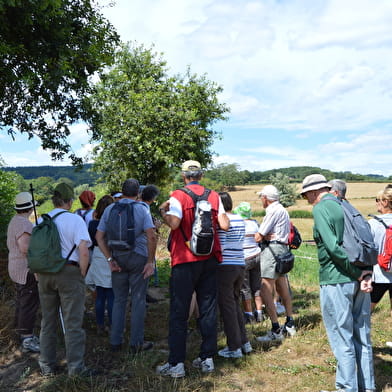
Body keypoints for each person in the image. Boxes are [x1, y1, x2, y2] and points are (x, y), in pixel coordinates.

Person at [301, 174, 375, 392]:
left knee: (342, 337)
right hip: (359, 278)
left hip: (336, 280)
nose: (306, 199)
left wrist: (355, 273)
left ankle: (346, 388)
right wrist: (364, 274)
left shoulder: (321, 208)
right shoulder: (345, 205)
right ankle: (367, 387)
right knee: (362, 336)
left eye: (306, 195)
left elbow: (333, 248)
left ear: (314, 191)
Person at [156, 160, 229, 378]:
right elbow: (225, 225)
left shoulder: (178, 196)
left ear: (184, 175)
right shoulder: (214, 195)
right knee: (207, 308)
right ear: (201, 175)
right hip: (210, 257)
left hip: (185, 258)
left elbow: (175, 224)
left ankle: (176, 363)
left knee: (179, 310)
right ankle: (206, 358)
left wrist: (162, 211)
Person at [96, 179, 157, 354]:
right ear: (138, 193)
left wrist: (109, 259)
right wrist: (150, 262)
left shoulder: (109, 209)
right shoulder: (141, 209)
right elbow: (151, 237)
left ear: (122, 192)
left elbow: (99, 236)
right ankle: (136, 343)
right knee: (138, 300)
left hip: (117, 259)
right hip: (138, 258)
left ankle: (115, 341)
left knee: (119, 300)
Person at [37, 183, 92, 376]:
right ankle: (76, 369)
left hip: (44, 274)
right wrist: (82, 274)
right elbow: (83, 251)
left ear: (53, 200)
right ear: (70, 201)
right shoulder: (75, 220)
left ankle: (46, 365)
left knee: (48, 321)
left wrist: (39, 275)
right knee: (73, 323)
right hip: (69, 272)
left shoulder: (41, 220)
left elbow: (34, 251)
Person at [254, 185, 296, 342]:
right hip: (282, 249)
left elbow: (259, 236)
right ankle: (290, 322)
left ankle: (275, 328)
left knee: (265, 288)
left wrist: (261, 236)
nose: (261, 200)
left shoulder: (271, 210)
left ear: (266, 198)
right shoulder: (282, 209)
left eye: (261, 197)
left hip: (272, 251)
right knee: (282, 286)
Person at [217, 192, 252, 358]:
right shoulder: (239, 218)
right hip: (240, 263)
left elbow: (222, 246)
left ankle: (234, 347)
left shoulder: (223, 220)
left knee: (227, 308)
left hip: (226, 266)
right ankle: (245, 342)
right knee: (235, 304)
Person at [6, 192, 40, 353]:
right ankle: (27, 338)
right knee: (29, 303)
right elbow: (25, 248)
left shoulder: (15, 220)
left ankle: (21, 333)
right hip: (24, 269)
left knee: (22, 300)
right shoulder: (24, 224)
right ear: (30, 207)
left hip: (15, 267)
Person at [85, 195, 115, 335]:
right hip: (111, 256)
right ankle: (113, 324)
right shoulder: (113, 224)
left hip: (97, 256)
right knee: (111, 294)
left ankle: (100, 325)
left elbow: (90, 242)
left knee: (100, 294)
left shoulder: (92, 224)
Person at [232, 202, 264, 323]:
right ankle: (259, 313)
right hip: (257, 255)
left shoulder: (239, 224)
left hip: (244, 257)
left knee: (245, 288)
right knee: (256, 286)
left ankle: (249, 315)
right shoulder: (255, 223)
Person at [368, 187, 392, 316]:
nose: (376, 202)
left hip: (379, 273)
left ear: (385, 202)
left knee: (366, 311)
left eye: (378, 200)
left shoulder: (373, 223)